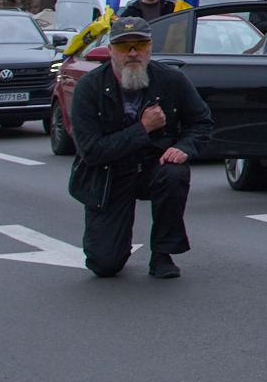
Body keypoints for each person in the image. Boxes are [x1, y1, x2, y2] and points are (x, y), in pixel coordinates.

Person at [67, 16, 215, 279]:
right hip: (108, 173)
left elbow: (201, 122)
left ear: (150, 47)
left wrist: (185, 147)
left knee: (174, 173)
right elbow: (91, 151)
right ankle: (113, 247)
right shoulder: (89, 88)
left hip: (153, 166)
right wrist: (142, 129)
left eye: (139, 44)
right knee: (105, 265)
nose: (132, 52)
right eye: (124, 46)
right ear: (110, 51)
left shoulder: (172, 80)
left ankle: (162, 254)